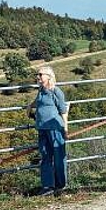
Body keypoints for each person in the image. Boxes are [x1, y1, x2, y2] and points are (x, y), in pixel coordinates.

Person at [26, 66, 69, 196]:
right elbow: (39, 102)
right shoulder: (41, 90)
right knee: (45, 157)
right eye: (37, 75)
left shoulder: (56, 91)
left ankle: (60, 185)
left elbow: (63, 111)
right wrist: (30, 105)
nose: (37, 77)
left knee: (58, 157)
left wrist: (65, 129)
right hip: (42, 128)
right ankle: (47, 186)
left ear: (48, 76)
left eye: (40, 74)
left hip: (55, 129)